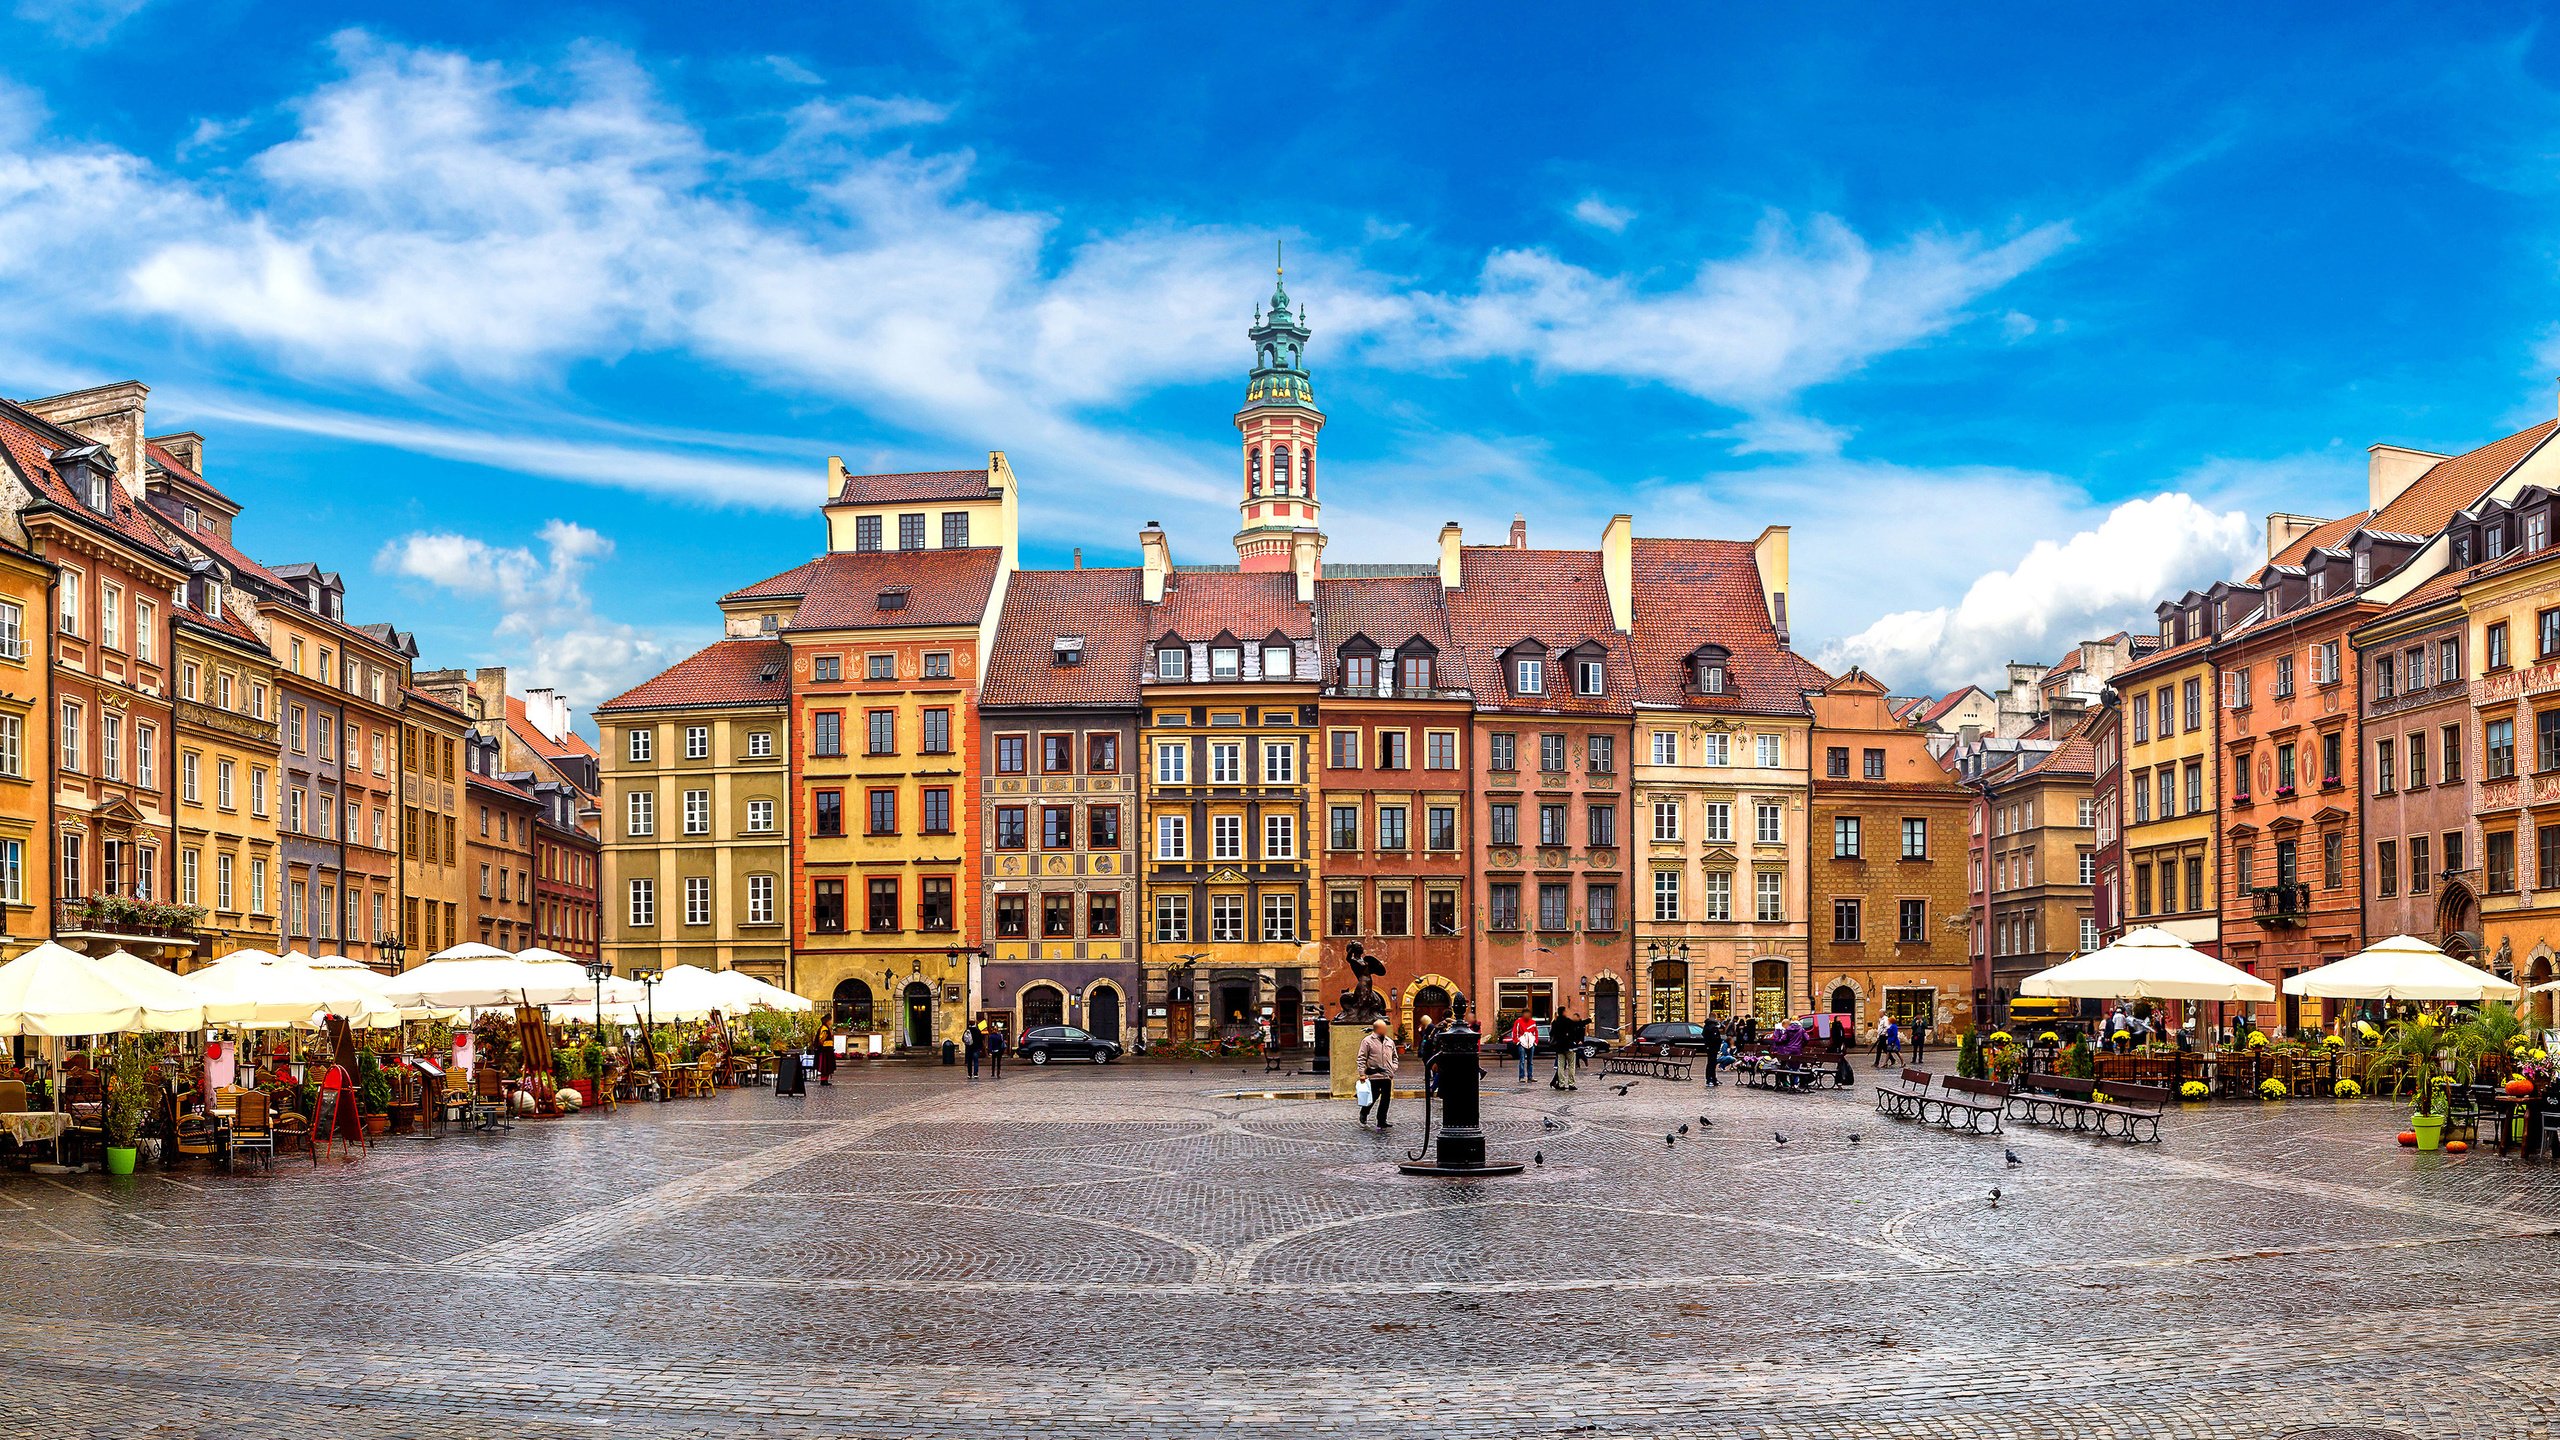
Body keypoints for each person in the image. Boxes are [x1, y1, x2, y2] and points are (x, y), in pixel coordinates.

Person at [1356, 1018, 1399, 1128]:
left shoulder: (1389, 1041)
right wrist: (1362, 1073)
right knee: (1373, 1096)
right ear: (1376, 1029)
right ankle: (1364, 1112)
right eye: (1381, 1028)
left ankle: (1381, 1120)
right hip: (1373, 1075)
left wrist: (1393, 1068)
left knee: (1386, 1099)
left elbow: (1395, 1057)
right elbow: (1361, 1058)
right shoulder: (1367, 1041)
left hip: (1387, 1076)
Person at [1550, 1007, 1586, 1091]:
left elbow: (1551, 1033)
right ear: (1563, 1012)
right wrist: (1589, 1019)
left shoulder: (1555, 1022)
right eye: (1566, 1011)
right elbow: (1578, 1024)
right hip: (1569, 1046)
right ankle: (1571, 1084)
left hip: (1559, 1047)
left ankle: (1561, 1084)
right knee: (1571, 1065)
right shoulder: (1567, 1021)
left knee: (1560, 1066)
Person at [1509, 1012, 1539, 1084]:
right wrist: (1518, 1041)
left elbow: (1535, 1032)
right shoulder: (1518, 1022)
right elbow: (1515, 1032)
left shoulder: (1532, 1022)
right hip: (1522, 1044)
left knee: (1530, 1061)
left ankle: (1530, 1076)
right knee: (1522, 1061)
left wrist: (1535, 1042)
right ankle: (1522, 1076)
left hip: (1531, 1044)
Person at [1699, 1015, 1723, 1087]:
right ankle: (1710, 1079)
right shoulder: (1713, 1027)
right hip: (1713, 1048)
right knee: (1711, 1064)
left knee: (1710, 1064)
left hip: (1709, 1047)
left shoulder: (1706, 1026)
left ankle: (1712, 1079)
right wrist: (1718, 1046)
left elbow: (1703, 1035)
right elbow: (1716, 1038)